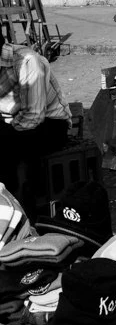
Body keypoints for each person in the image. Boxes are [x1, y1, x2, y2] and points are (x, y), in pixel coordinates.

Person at [0, 28, 71, 217]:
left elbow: (33, 117)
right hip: (11, 123)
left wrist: (5, 132)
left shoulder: (27, 60)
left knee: (9, 150)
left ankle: (18, 209)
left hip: (49, 124)